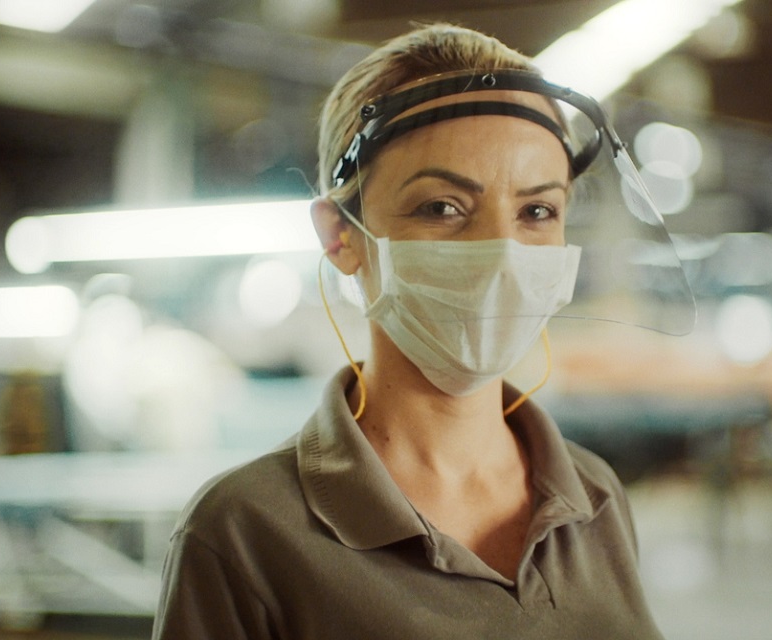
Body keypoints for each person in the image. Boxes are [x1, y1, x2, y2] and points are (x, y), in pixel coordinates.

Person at [152, 23, 675, 639]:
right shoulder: (245, 533)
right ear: (341, 236)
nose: (502, 254)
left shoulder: (593, 496)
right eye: (442, 208)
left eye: (537, 211)